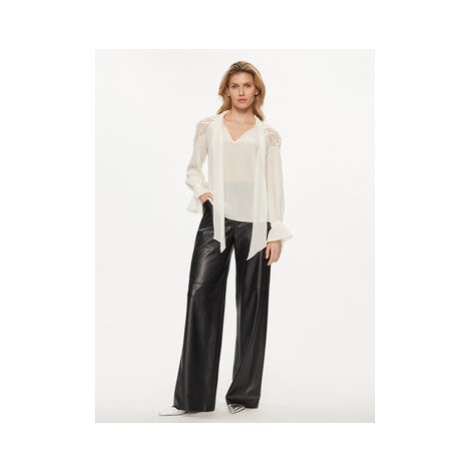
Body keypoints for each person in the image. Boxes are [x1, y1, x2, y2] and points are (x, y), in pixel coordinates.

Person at [159, 61, 293, 416]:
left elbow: (275, 184)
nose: (241, 91)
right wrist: (204, 194)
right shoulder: (209, 127)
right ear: (226, 91)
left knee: (252, 303)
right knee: (200, 294)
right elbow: (193, 169)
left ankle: (243, 396)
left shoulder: (267, 135)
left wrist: (276, 230)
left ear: (256, 90)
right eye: (235, 86)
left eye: (247, 85)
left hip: (257, 221)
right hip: (216, 218)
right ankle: (192, 398)